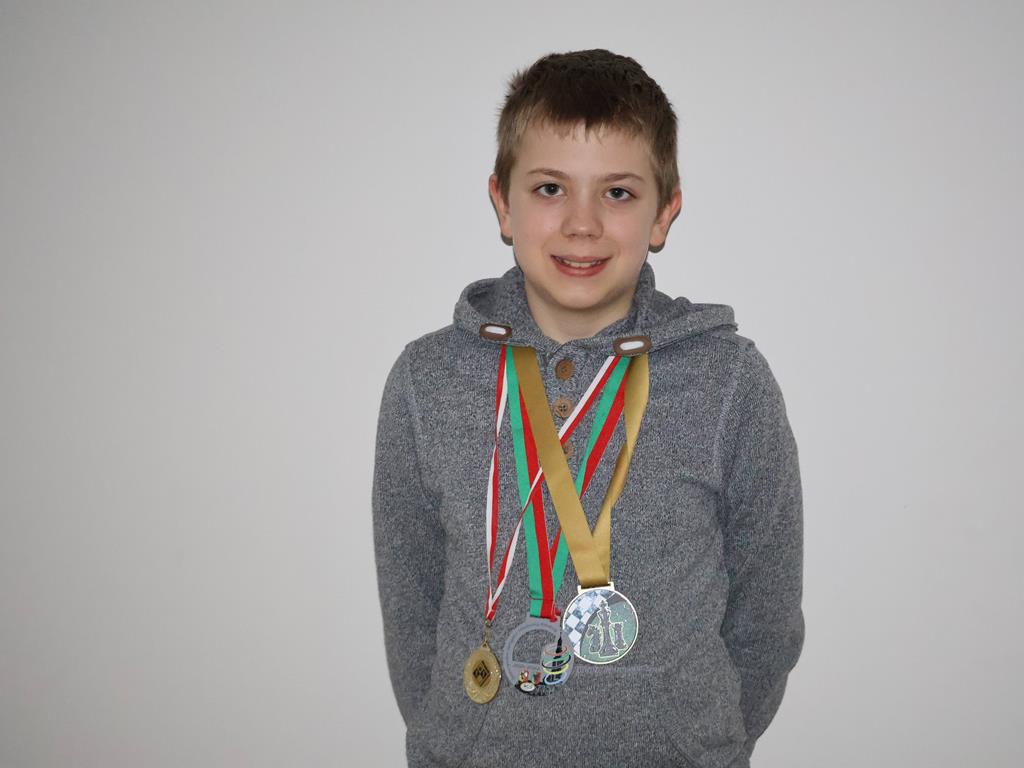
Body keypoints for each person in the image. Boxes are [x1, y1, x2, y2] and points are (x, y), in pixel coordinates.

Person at [372, 49, 803, 768]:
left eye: (618, 193)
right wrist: (459, 737)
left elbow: (768, 613)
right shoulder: (427, 381)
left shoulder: (730, 382)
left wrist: (702, 739)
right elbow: (409, 601)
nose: (582, 224)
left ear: (664, 213)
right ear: (502, 203)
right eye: (550, 188)